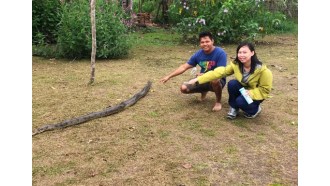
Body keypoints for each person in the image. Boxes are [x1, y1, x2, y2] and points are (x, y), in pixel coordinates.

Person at [187, 42, 273, 119]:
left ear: (252, 53)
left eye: (245, 52)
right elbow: (219, 72)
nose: (241, 55)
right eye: (239, 52)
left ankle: (255, 110)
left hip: (254, 94)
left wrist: (251, 93)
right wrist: (198, 79)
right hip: (244, 91)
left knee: (240, 101)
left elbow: (265, 90)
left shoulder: (264, 71)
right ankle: (234, 108)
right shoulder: (236, 65)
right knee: (232, 83)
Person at [160, 31, 227, 111]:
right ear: (200, 43)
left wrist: (203, 76)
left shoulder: (220, 53)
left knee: (214, 80)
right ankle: (204, 90)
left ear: (212, 41)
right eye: (202, 42)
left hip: (218, 80)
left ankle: (218, 102)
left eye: (207, 41)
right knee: (184, 88)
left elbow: (219, 73)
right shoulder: (198, 54)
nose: (205, 44)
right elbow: (184, 67)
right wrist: (169, 76)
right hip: (201, 78)